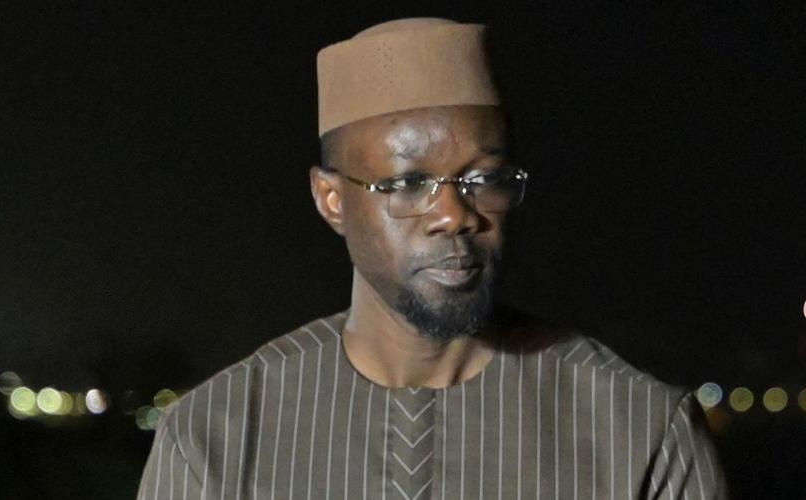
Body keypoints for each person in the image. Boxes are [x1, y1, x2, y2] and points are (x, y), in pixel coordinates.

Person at [137, 17, 727, 499]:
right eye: (408, 183)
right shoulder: (217, 436)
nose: (454, 215)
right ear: (332, 199)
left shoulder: (640, 430)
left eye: (483, 178)